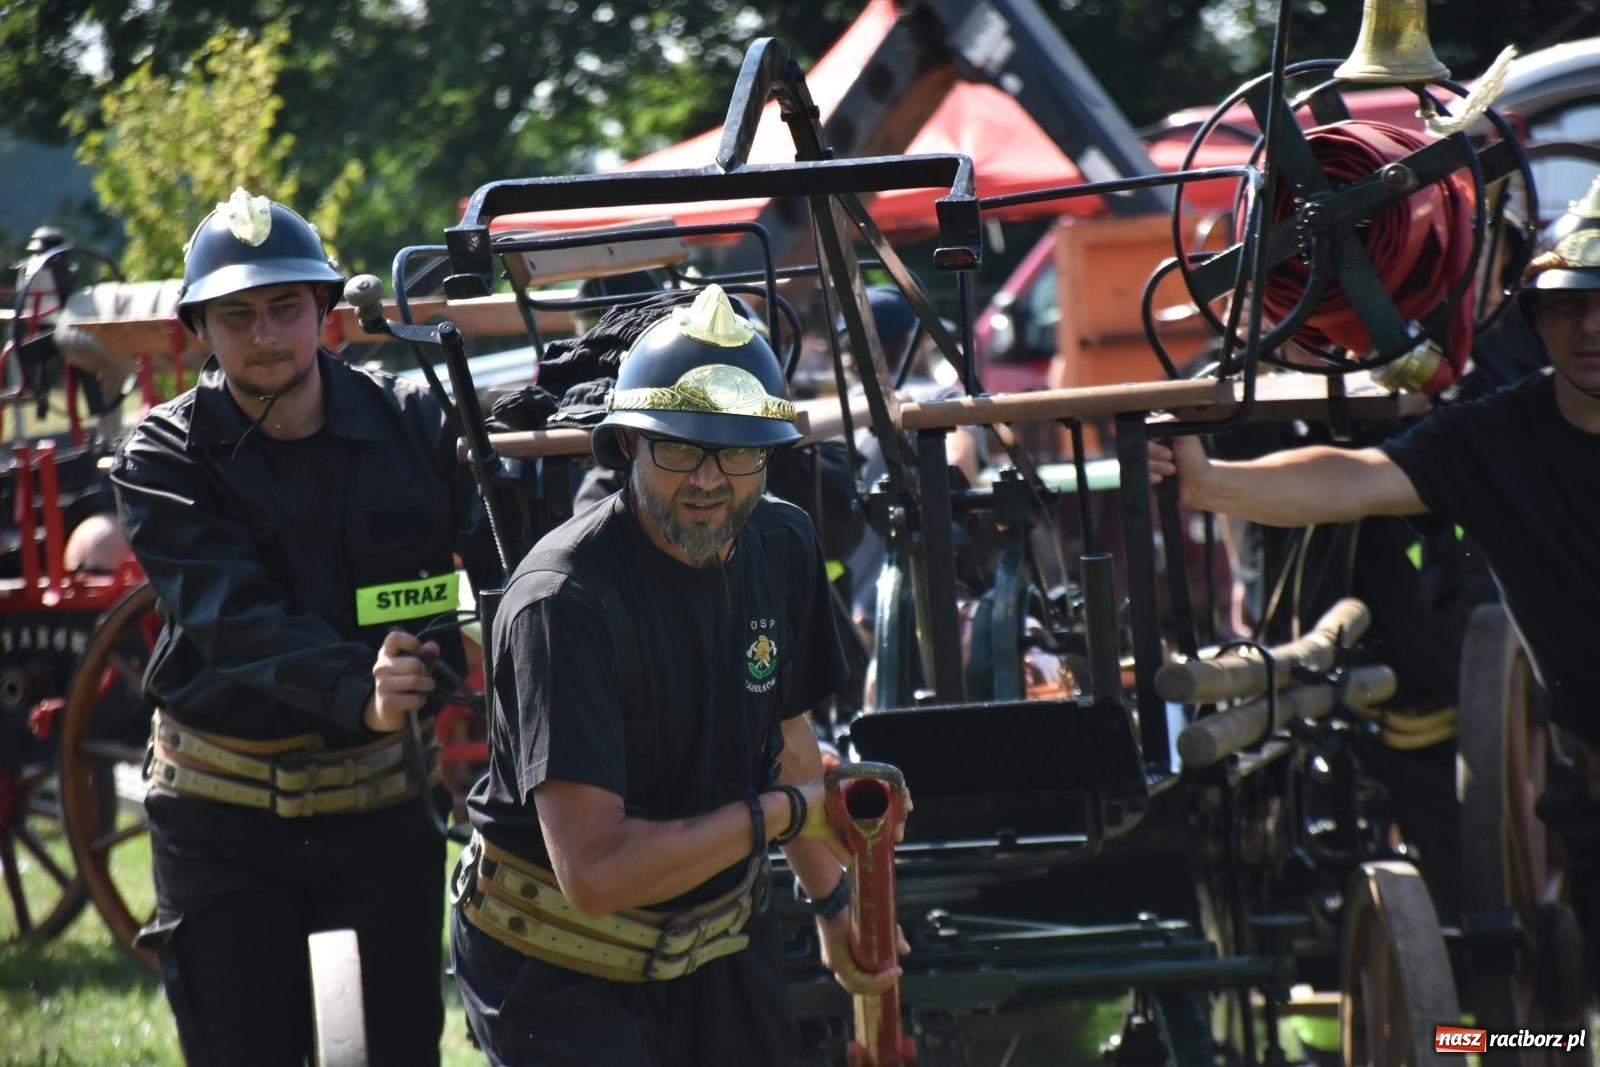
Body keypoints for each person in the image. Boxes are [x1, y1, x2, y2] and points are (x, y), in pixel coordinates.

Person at [1148, 177, 1600, 988]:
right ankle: (1515, 1045)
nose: (1591, 323)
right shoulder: (1498, 437)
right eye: (1568, 303)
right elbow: (1354, 480)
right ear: (1534, 313)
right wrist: (1209, 483)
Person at [450, 283, 903, 1066]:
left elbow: (789, 739)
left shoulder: (784, 544)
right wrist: (787, 814)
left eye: (736, 451)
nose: (707, 480)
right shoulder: (562, 601)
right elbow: (595, 872)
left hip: (720, 939)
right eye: (678, 447)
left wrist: (834, 906)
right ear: (626, 442)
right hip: (559, 964)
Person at [111, 188, 488, 1066]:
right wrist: (362, 690)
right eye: (237, 315)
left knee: (398, 1052)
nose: (266, 333)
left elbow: (510, 555)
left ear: (327, 309)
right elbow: (233, 616)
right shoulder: (161, 458)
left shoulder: (419, 424)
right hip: (219, 821)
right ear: (200, 326)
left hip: (382, 804)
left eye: (286, 306)